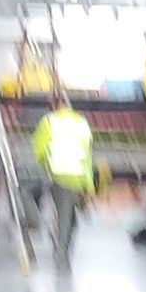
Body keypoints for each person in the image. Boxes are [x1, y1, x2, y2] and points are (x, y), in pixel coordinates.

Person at [31, 98, 95, 267]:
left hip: (58, 175)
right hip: (78, 177)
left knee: (64, 216)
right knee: (69, 215)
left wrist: (45, 165)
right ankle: (64, 248)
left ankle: (61, 252)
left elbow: (38, 149)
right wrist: (88, 185)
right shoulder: (82, 123)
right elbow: (88, 156)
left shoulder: (49, 121)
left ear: (55, 107)